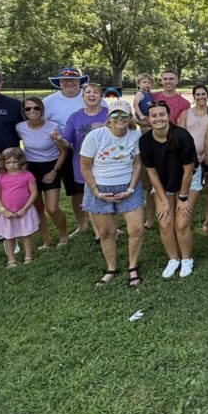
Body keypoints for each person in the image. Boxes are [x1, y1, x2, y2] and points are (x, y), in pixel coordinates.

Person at [80, 99, 145, 286]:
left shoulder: (135, 136)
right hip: (100, 188)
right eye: (115, 114)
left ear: (130, 117)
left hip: (128, 187)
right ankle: (111, 268)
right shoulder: (95, 136)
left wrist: (131, 188)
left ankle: (133, 267)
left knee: (137, 229)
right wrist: (96, 192)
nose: (120, 118)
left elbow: (137, 163)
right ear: (109, 118)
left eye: (124, 114)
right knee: (106, 232)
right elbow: (85, 167)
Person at [139, 100, 197, 279]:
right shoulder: (145, 141)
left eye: (162, 114)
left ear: (168, 115)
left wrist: (183, 197)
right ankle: (173, 259)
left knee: (181, 223)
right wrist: (163, 200)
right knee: (164, 222)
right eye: (154, 116)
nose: (158, 119)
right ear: (148, 119)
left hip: (188, 181)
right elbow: (151, 172)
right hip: (163, 183)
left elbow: (188, 170)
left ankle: (187, 259)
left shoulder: (182, 136)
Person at [17, 96, 70, 248]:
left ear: (42, 109)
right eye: (28, 108)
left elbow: (63, 151)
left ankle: (63, 234)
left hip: (51, 166)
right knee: (37, 207)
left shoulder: (53, 127)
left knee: (52, 208)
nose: (32, 111)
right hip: (31, 169)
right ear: (24, 111)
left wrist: (54, 171)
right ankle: (46, 240)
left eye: (36, 108)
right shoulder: (20, 127)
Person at [43, 66, 90, 237]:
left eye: (73, 80)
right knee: (76, 188)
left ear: (79, 82)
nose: (69, 83)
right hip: (66, 149)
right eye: (65, 80)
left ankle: (106, 219)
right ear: (59, 83)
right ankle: (82, 223)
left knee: (100, 184)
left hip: (93, 148)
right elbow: (41, 123)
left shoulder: (89, 96)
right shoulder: (49, 102)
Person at [59, 83, 109, 239]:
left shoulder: (109, 114)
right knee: (86, 195)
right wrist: (59, 140)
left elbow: (122, 132)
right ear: (83, 96)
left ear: (101, 97)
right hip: (83, 163)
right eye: (88, 92)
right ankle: (93, 229)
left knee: (106, 193)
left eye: (96, 92)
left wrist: (105, 128)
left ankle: (108, 226)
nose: (92, 95)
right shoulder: (75, 116)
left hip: (106, 163)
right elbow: (67, 142)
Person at [0, 148, 40, 267]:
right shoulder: (0, 178)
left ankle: (28, 256)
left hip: (24, 211)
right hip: (7, 213)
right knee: (8, 236)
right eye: (8, 162)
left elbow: (34, 193)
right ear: (3, 163)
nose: (11, 165)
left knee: (25, 234)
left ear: (21, 161)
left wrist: (25, 209)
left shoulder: (27, 175)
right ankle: (11, 259)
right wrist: (3, 211)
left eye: (14, 162)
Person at [178, 85, 208, 219]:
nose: (201, 97)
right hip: (190, 158)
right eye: (197, 94)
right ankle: (184, 215)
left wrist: (205, 154)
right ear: (194, 96)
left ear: (207, 95)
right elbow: (180, 136)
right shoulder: (186, 113)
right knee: (189, 187)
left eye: (203, 94)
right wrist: (191, 155)